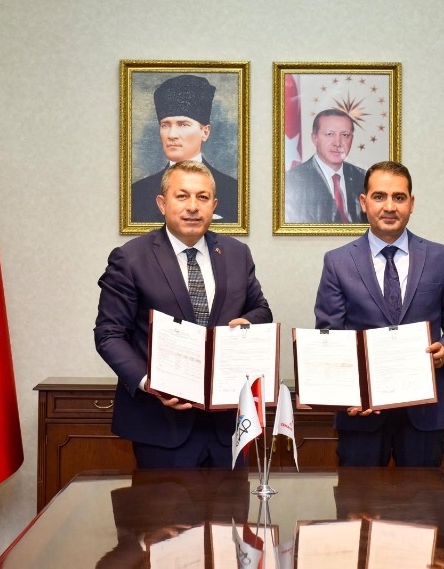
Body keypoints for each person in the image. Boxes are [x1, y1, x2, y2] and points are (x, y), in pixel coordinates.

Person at [95, 160, 272, 468]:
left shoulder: (236, 253)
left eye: (202, 197)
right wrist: (150, 383)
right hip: (160, 425)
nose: (192, 206)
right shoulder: (131, 258)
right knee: (162, 502)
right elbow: (109, 335)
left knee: (231, 501)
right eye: (182, 196)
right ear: (162, 203)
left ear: (213, 205)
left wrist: (248, 323)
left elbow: (261, 310)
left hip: (228, 425)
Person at [314, 160, 444, 467]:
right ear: (364, 202)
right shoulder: (338, 262)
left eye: (399, 197)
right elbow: (331, 336)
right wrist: (348, 394)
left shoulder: (439, 257)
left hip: (424, 412)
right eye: (379, 196)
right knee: (357, 497)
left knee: (424, 497)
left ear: (411, 203)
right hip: (361, 413)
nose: (389, 206)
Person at [131, 74, 239, 224]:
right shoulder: (138, 193)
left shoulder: (233, 191)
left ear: (205, 132)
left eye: (183, 124)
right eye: (165, 125)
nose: (171, 135)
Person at [284, 108, 367, 224]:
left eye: (345, 135)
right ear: (314, 138)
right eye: (329, 134)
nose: (337, 143)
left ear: (351, 139)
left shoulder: (364, 178)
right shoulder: (291, 180)